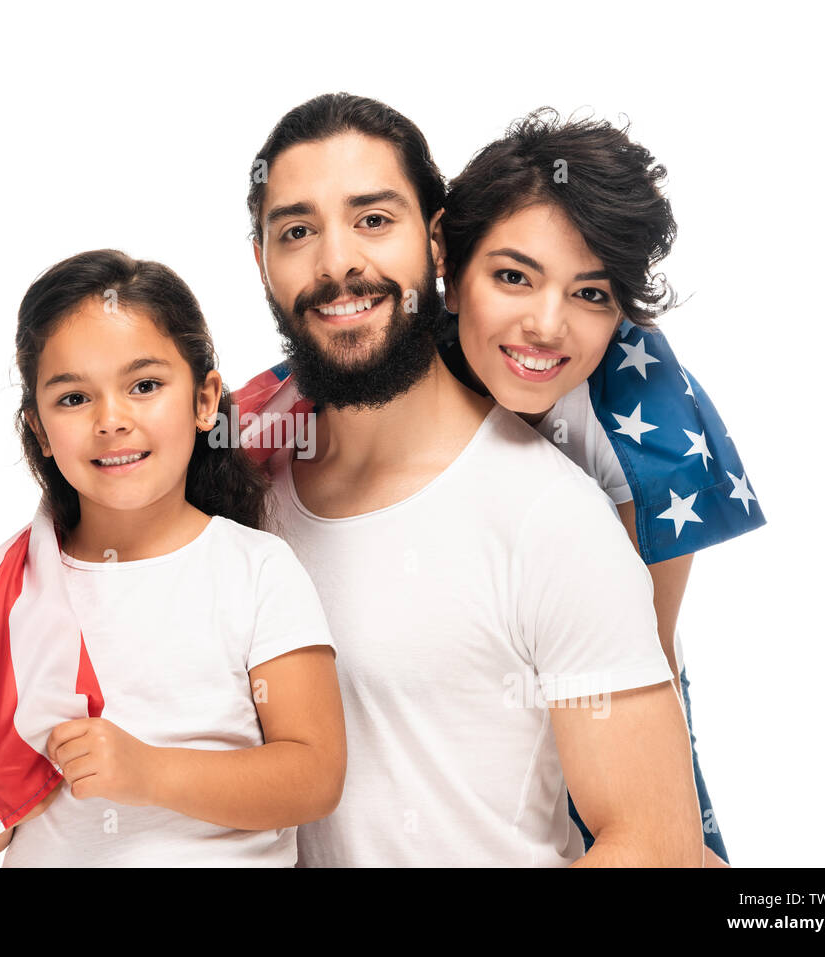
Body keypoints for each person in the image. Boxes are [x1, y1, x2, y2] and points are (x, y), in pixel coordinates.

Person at [243, 93, 703, 866]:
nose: (337, 263)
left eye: (373, 220)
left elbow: (654, 844)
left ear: (435, 244)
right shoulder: (236, 490)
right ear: (262, 262)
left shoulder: (552, 517)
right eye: (297, 230)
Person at [0, 249, 345, 867]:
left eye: (145, 386)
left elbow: (313, 776)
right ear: (41, 430)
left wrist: (150, 773)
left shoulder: (256, 571)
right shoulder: (11, 591)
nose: (112, 420)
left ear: (205, 399)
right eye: (74, 398)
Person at [438, 109, 765, 865]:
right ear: (450, 273)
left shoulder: (647, 423)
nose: (546, 325)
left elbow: (640, 659)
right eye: (513, 276)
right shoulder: (391, 370)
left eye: (591, 294)